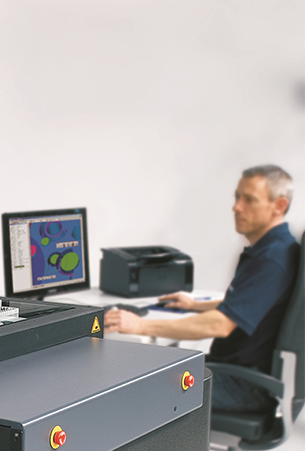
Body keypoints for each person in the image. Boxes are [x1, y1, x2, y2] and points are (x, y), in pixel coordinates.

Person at [104, 165, 300, 413]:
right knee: (149, 372)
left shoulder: (272, 259)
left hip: (244, 385)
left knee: (133, 390)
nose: (236, 207)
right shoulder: (278, 247)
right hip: (240, 375)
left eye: (249, 200)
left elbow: (220, 325)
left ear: (279, 205)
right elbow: (254, 303)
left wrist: (140, 325)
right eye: (237, 197)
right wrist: (196, 305)